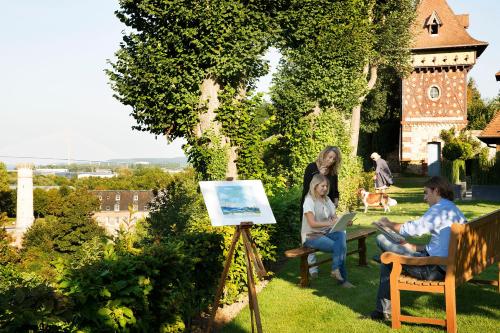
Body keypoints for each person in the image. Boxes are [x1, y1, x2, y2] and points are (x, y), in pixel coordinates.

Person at [369, 176, 466, 320]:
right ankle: (381, 311)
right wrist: (411, 246)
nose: (424, 198)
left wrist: (388, 223)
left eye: (426, 193)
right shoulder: (452, 208)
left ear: (436, 191)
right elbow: (439, 244)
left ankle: (382, 310)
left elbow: (411, 230)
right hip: (449, 264)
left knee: (381, 239)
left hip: (432, 269)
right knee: (388, 260)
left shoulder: (438, 210)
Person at [302, 173, 354, 288]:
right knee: (340, 247)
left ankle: (336, 270)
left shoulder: (327, 199)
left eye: (326, 186)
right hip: (312, 235)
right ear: (315, 186)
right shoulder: (309, 201)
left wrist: (345, 221)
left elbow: (334, 218)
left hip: (327, 232)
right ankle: (342, 280)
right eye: (322, 186)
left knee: (341, 236)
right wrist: (330, 223)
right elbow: (312, 223)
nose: (325, 189)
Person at [300, 146, 342, 278]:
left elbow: (334, 189)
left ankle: (337, 270)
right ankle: (313, 270)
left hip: (325, 202)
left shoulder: (333, 172)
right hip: (312, 202)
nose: (331, 161)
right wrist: (321, 176)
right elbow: (308, 187)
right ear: (323, 155)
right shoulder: (311, 167)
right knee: (310, 230)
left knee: (339, 236)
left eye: (334, 159)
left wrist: (334, 202)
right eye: (329, 157)